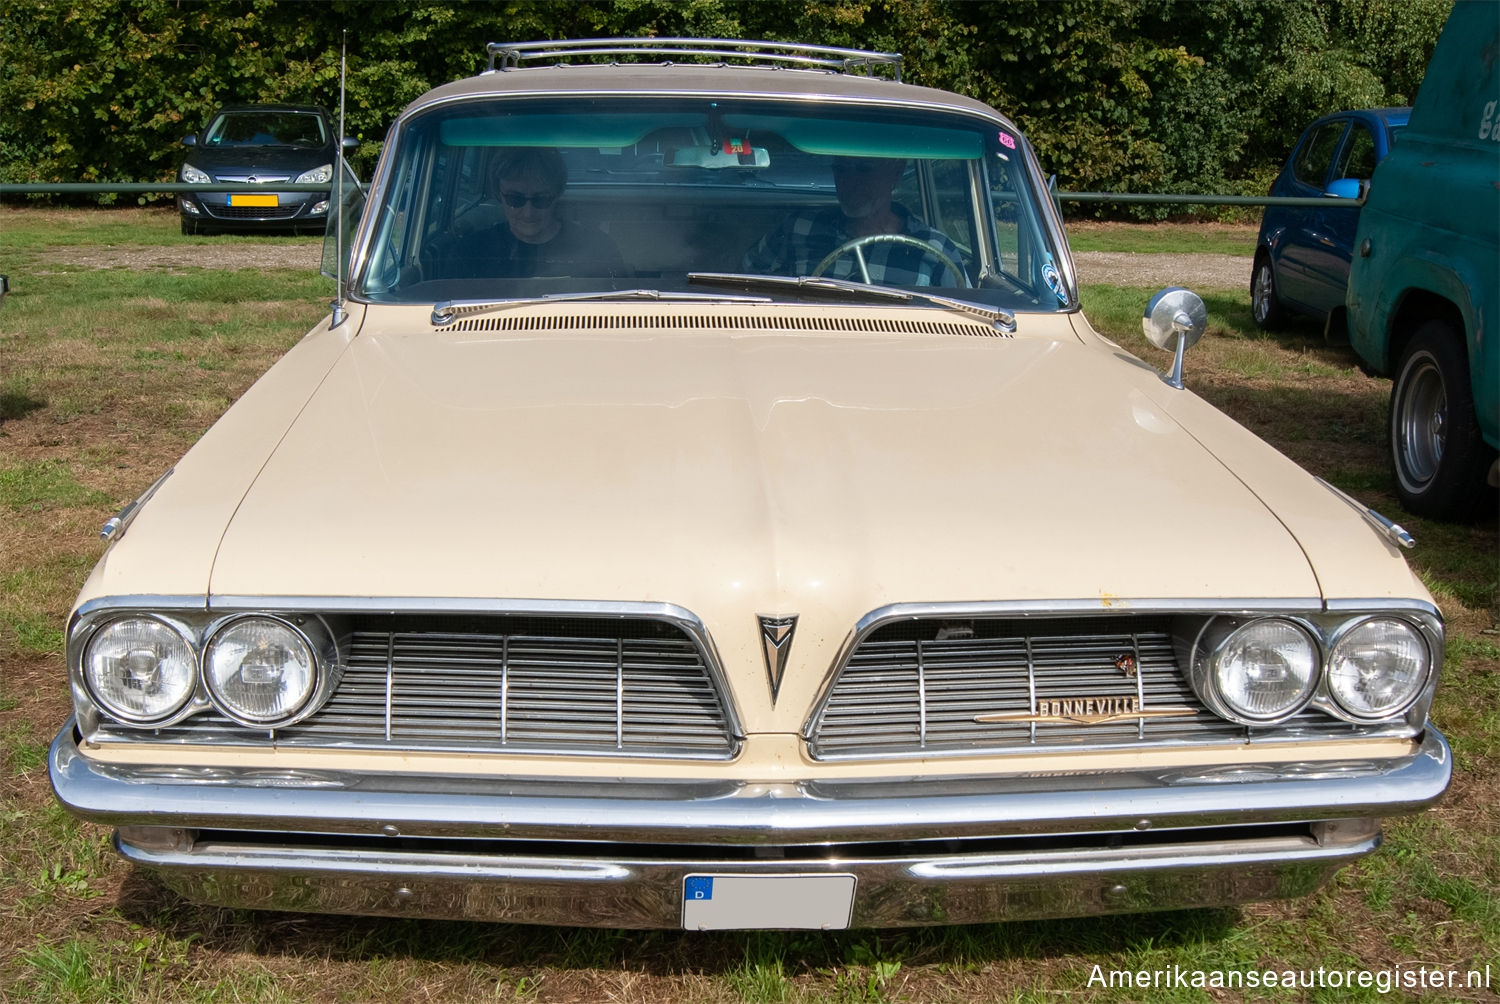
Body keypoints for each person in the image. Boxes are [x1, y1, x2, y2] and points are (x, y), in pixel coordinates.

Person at [743, 156, 966, 286]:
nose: (849, 182)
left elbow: (965, 320)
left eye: (864, 170)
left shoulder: (936, 249)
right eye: (841, 169)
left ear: (895, 173)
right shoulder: (800, 227)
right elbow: (745, 281)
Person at [428, 147, 624, 280]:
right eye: (515, 199)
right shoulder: (469, 253)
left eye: (540, 199)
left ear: (557, 194)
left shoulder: (599, 250)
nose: (528, 212)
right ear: (499, 194)